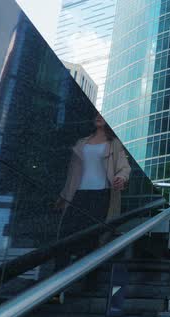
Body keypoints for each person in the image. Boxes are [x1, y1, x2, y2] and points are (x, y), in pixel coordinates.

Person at [54, 112, 131, 291]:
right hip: (78, 195)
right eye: (96, 114)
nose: (98, 116)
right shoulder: (82, 143)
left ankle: (90, 284)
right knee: (65, 236)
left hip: (101, 195)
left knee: (93, 238)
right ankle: (57, 285)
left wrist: (121, 178)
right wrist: (64, 196)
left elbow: (124, 168)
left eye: (103, 115)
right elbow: (71, 175)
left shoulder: (115, 144)